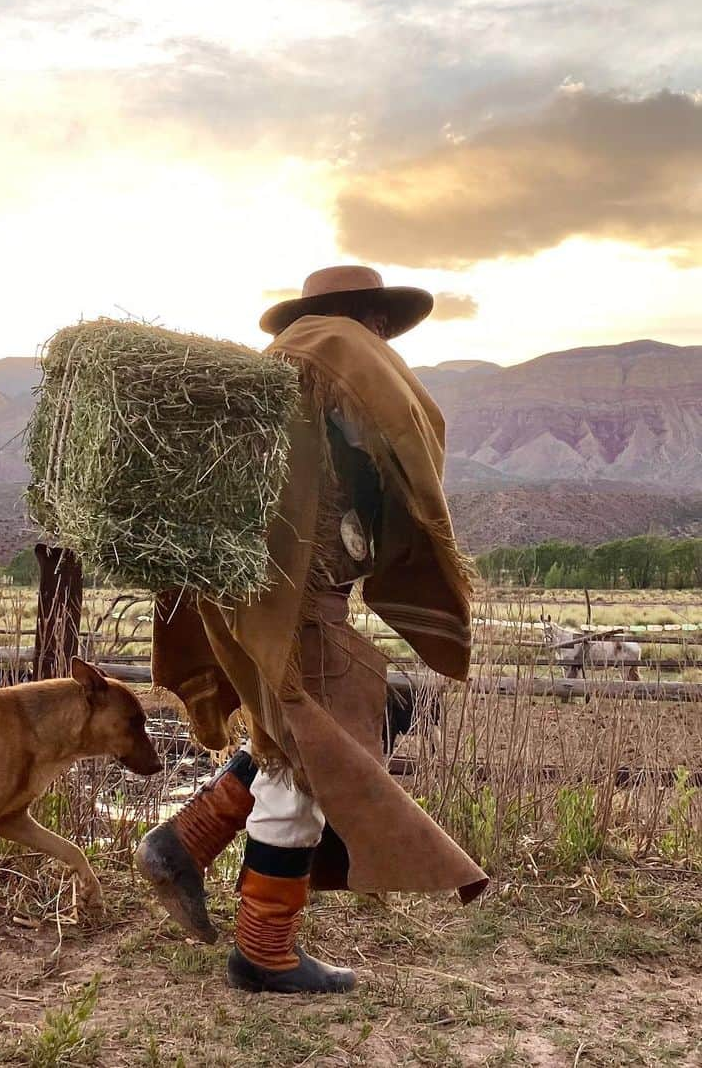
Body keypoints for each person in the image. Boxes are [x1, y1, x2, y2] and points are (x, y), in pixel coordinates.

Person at [136, 266, 488, 994]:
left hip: (253, 594)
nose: (387, 337)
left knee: (301, 736)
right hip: (297, 602)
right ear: (370, 314)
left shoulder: (275, 370)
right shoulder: (342, 350)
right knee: (313, 754)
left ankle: (185, 841)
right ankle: (264, 952)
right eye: (382, 323)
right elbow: (410, 434)